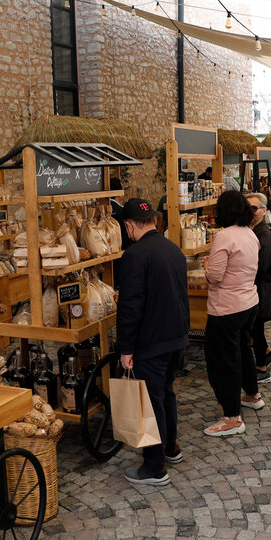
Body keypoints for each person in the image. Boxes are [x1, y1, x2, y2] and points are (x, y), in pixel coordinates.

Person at [117, 198, 190, 486]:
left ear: (130, 225)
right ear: (155, 221)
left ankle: (154, 466)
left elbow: (130, 306)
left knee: (150, 401)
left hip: (152, 340)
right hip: (176, 336)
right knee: (166, 393)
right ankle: (170, 447)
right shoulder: (173, 249)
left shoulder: (135, 255)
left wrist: (126, 348)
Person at [202, 191, 262, 437]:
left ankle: (232, 417)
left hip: (226, 307)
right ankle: (252, 393)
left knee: (223, 360)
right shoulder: (250, 234)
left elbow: (214, 276)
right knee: (242, 350)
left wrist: (207, 266)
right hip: (249, 302)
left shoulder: (224, 236)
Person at [246, 193, 271, 383]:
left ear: (264, 211)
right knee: (255, 327)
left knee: (256, 326)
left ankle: (261, 368)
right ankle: (267, 353)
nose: (250, 212)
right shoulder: (249, 230)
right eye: (247, 208)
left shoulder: (266, 234)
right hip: (254, 286)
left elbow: (264, 265)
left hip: (262, 287)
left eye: (254, 208)